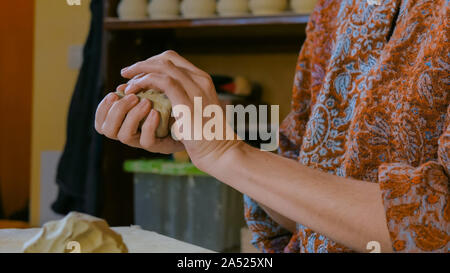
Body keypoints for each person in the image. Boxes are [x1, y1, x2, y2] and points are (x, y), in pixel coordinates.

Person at [95, 0, 449, 253]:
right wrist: (208, 140)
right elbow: (303, 212)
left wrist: (228, 153)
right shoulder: (334, 9)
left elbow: (439, 223)